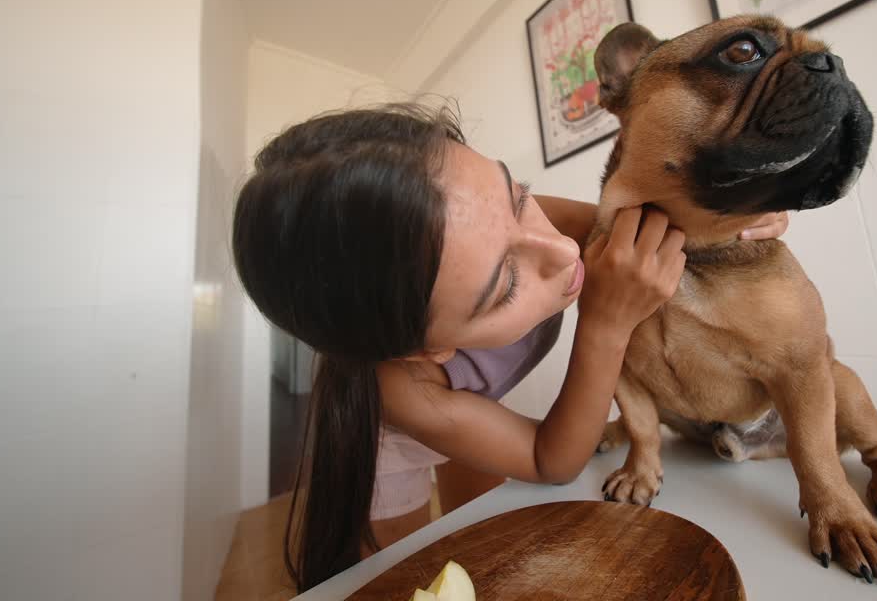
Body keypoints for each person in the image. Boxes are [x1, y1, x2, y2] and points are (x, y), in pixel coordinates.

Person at [231, 103, 788, 591]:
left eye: (519, 197)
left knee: (481, 534)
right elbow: (552, 459)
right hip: (396, 446)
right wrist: (604, 325)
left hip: (476, 404)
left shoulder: (519, 230)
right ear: (424, 351)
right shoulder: (403, 389)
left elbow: (661, 227)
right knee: (402, 573)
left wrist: (742, 213)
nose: (561, 250)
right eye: (507, 285)